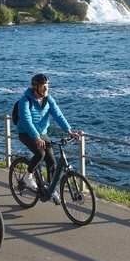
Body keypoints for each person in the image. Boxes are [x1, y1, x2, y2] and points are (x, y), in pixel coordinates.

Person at [12, 73, 79, 204]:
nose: (46, 89)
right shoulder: (25, 101)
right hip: (26, 132)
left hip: (42, 132)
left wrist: (69, 131)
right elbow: (26, 121)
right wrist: (36, 138)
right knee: (40, 153)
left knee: (51, 160)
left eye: (47, 86)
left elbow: (58, 115)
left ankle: (51, 188)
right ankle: (28, 176)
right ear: (35, 87)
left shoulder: (48, 99)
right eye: (43, 87)